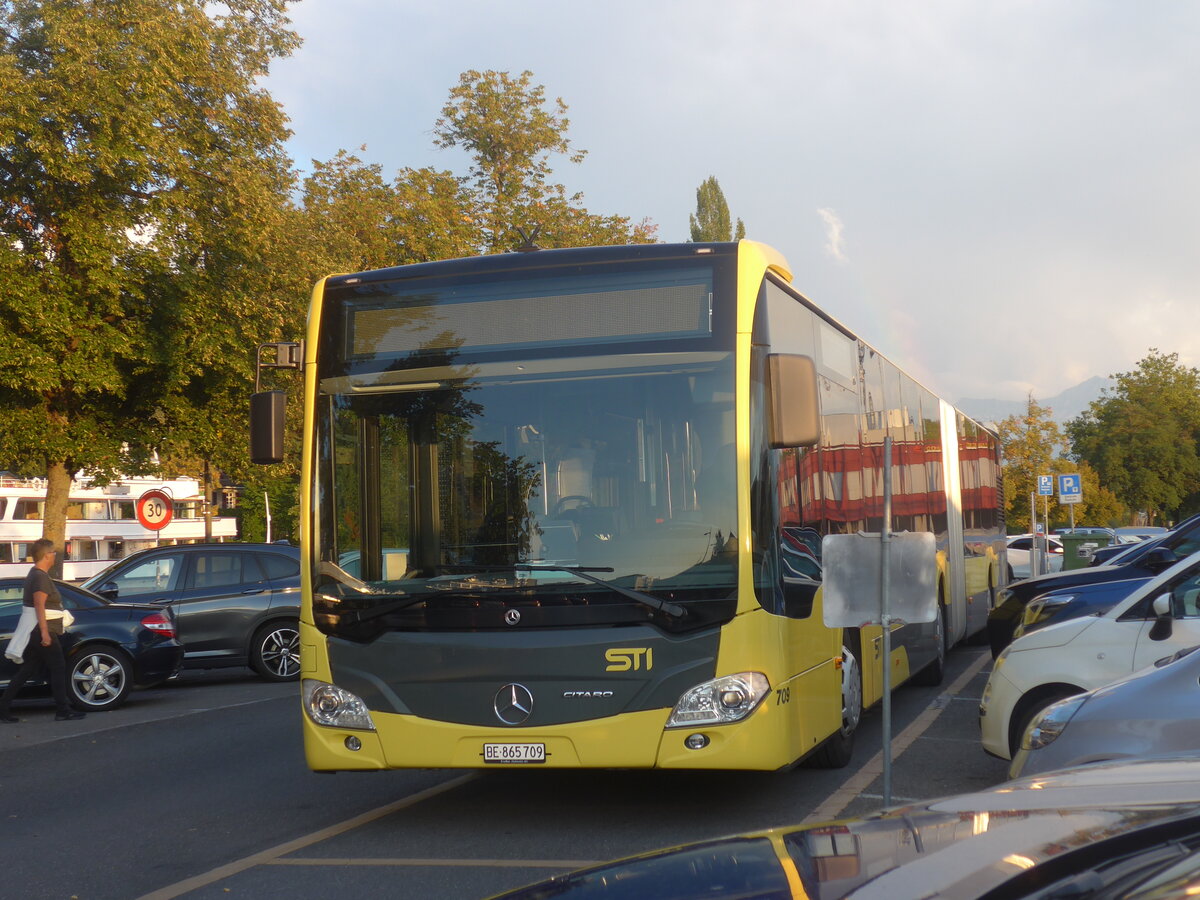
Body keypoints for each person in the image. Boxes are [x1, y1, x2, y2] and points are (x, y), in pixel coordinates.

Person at [0, 539, 85, 723]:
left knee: (28, 669)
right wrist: (45, 633)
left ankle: (3, 708)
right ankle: (63, 710)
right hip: (40, 630)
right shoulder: (39, 577)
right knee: (58, 667)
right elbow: (39, 605)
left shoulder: (36, 574)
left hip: (35, 629)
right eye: (53, 552)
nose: (55, 554)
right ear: (47, 555)